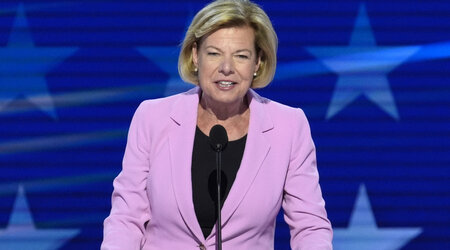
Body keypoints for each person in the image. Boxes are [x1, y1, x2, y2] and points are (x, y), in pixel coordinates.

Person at [101, 0, 333, 249]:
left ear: (257, 63)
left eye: (241, 56)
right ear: (195, 56)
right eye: (214, 53)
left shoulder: (288, 126)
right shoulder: (153, 118)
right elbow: (126, 218)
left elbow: (310, 225)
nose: (226, 68)